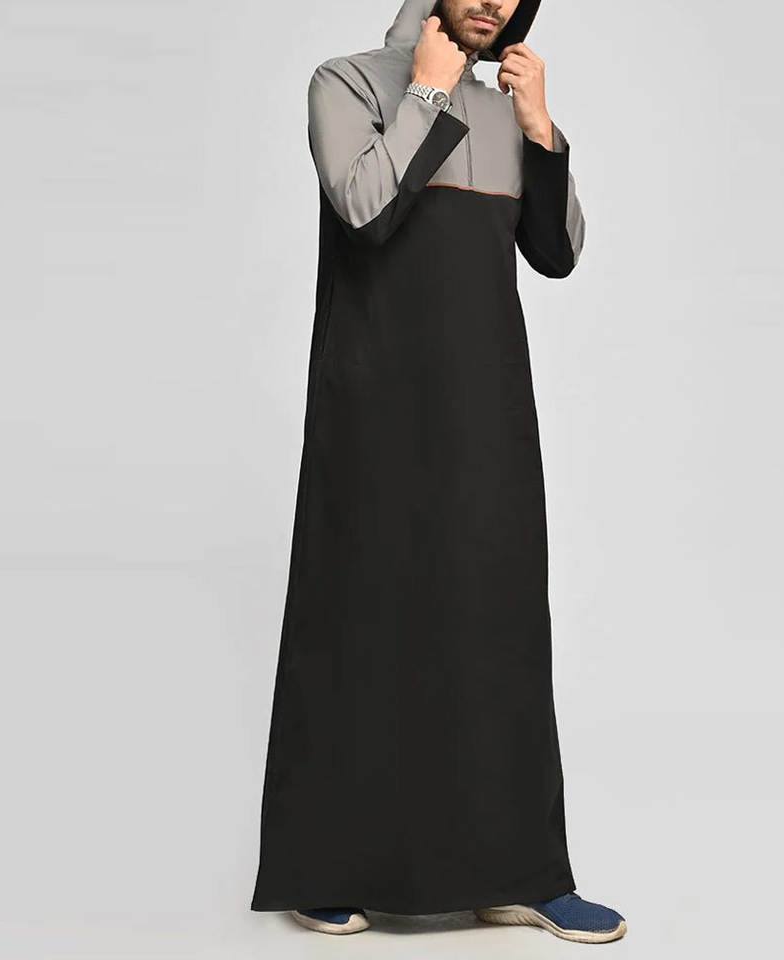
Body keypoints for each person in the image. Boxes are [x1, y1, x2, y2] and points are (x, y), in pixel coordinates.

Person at [250, 0, 626, 944]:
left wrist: (540, 131)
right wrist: (426, 91)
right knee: (360, 619)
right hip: (371, 406)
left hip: (487, 410)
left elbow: (557, 253)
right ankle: (327, 865)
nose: (494, 1)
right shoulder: (348, 82)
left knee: (498, 625)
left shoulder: (505, 111)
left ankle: (520, 873)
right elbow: (366, 210)